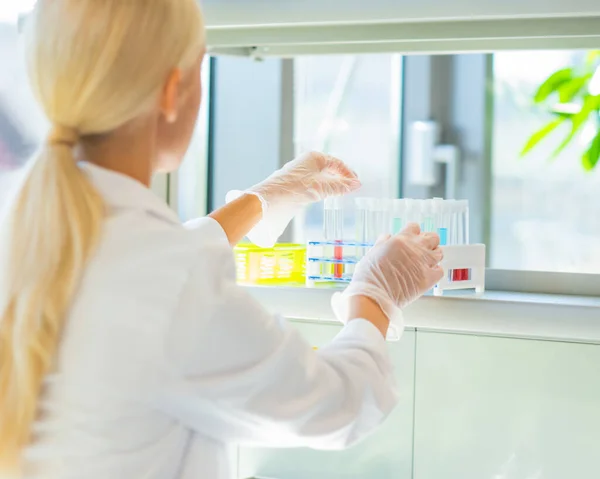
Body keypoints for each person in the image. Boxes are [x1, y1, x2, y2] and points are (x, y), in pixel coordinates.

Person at [0, 1, 443, 478]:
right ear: (173, 91)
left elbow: (131, 270)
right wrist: (374, 296)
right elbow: (335, 406)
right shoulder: (164, 278)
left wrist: (261, 201)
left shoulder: (29, 217)